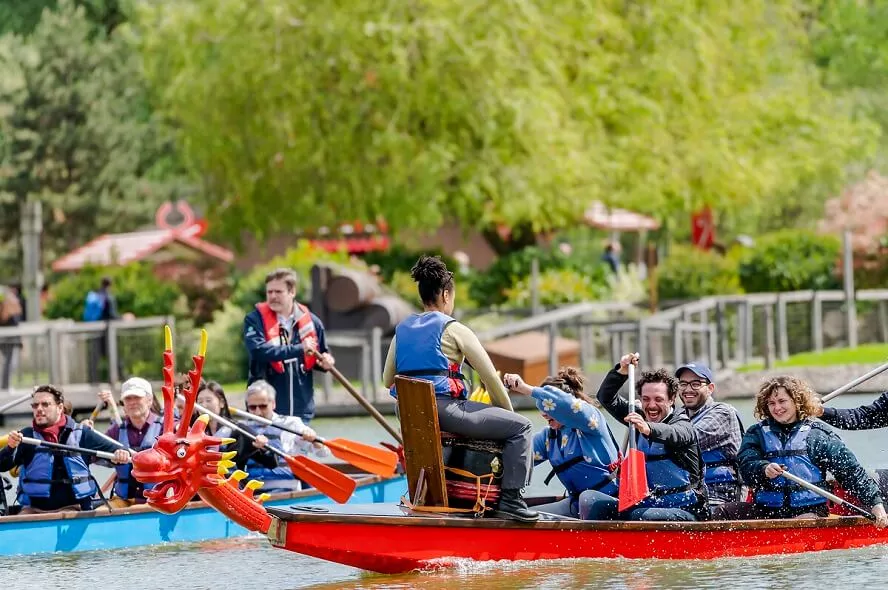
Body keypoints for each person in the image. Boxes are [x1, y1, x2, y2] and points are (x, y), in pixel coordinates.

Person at [383, 255, 537, 522]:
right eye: (451, 297)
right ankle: (511, 502)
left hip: (409, 416)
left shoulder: (402, 330)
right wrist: (510, 416)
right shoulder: (454, 329)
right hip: (447, 411)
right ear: (445, 295)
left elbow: (387, 380)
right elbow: (490, 379)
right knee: (521, 427)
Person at [718, 376, 888, 526]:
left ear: (796, 402)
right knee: (721, 513)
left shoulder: (818, 435)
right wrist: (763, 469)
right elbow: (746, 465)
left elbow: (851, 472)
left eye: (782, 401)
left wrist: (876, 505)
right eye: (771, 403)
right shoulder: (756, 433)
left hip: (809, 511)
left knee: (801, 521)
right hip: (767, 510)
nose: (777, 408)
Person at [594, 353, 708, 521]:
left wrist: (647, 428)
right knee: (592, 501)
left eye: (658, 399)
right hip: (652, 505)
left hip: (688, 510)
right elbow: (605, 397)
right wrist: (621, 371)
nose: (652, 406)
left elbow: (676, 434)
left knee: (638, 515)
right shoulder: (638, 418)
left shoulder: (683, 424)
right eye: (646, 399)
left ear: (672, 400)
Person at [504, 368, 620, 519]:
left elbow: (567, 405)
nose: (543, 413)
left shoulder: (592, 420)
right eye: (540, 407)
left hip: (611, 502)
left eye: (546, 406)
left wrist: (526, 389)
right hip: (576, 505)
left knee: (587, 498)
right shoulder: (549, 437)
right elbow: (520, 456)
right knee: (523, 516)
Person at [0, 385, 130, 514]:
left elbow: (119, 451)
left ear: (60, 408)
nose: (39, 409)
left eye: (45, 404)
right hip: (34, 510)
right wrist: (10, 448)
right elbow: (2, 466)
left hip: (74, 508)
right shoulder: (26, 436)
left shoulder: (82, 434)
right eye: (35, 405)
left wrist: (121, 454)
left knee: (69, 514)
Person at [243, 268, 335, 423]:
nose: (273, 296)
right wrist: (299, 349)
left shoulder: (313, 322)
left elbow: (322, 353)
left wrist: (326, 361)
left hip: (302, 411)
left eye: (278, 292)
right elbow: (259, 351)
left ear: (292, 292)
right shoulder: (254, 320)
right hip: (265, 411)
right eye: (269, 292)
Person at [233, 380, 328, 494]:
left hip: (286, 489)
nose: (257, 412)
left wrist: (314, 440)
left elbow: (323, 453)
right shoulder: (243, 427)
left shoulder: (290, 424)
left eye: (263, 406)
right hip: (252, 490)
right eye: (252, 407)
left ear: (273, 404)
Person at [675, 362, 744, 506]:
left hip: (719, 496)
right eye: (683, 384)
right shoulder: (678, 416)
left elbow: (686, 439)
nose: (688, 389)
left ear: (710, 388)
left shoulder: (722, 413)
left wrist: (649, 428)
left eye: (695, 384)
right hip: (689, 493)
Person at [99, 378, 161, 508]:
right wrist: (83, 433)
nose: (132, 403)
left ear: (149, 400)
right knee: (101, 511)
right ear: (124, 404)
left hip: (159, 499)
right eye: (128, 399)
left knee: (136, 509)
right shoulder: (115, 431)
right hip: (124, 500)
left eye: (137, 398)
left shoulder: (166, 427)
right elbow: (96, 456)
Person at [84, 277, 120, 384]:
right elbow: (112, 315)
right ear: (110, 285)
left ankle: (93, 380)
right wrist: (123, 318)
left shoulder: (95, 295)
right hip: (107, 333)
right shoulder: (108, 297)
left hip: (95, 331)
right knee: (114, 355)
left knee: (95, 357)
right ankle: (117, 379)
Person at [0, 287, 23, 391]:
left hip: (13, 340)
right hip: (6, 341)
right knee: (9, 364)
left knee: (11, 364)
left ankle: (5, 386)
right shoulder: (5, 310)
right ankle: (5, 386)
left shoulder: (14, 312)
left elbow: (17, 325)